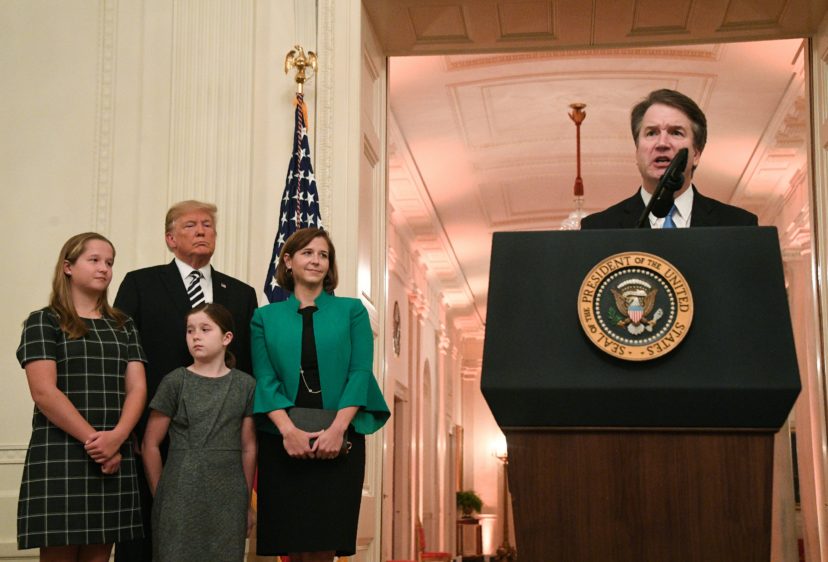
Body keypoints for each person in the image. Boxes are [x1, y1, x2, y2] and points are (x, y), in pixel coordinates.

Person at [113, 200, 258, 561]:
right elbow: (119, 356)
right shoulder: (140, 283)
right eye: (190, 225)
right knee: (148, 541)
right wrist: (125, 426)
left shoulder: (241, 294)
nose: (201, 231)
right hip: (148, 434)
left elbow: (248, 365)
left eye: (207, 225)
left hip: (220, 445)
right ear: (170, 238)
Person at [252, 227, 390, 562]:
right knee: (292, 541)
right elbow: (265, 379)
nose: (316, 261)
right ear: (288, 261)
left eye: (323, 255)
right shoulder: (264, 317)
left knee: (326, 541)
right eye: (307, 253)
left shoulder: (352, 311)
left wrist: (337, 430)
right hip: (283, 439)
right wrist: (288, 432)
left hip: (339, 439)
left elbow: (359, 373)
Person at [16, 232, 147, 562]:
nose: (104, 268)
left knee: (99, 556)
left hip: (113, 452)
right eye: (94, 260)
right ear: (68, 267)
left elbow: (137, 388)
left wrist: (116, 438)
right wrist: (96, 442)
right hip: (61, 452)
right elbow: (44, 392)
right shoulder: (44, 321)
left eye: (109, 262)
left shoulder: (123, 324)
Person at [142, 303, 256, 562]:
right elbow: (150, 444)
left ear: (226, 338)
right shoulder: (175, 381)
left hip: (228, 497)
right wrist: (162, 495)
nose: (195, 336)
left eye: (205, 329)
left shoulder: (245, 385)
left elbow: (249, 447)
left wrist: (245, 501)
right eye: (190, 330)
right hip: (179, 493)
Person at [580, 89, 758, 229]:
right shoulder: (599, 228)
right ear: (637, 152)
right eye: (651, 133)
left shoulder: (739, 224)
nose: (662, 143)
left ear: (696, 154)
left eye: (676, 133)